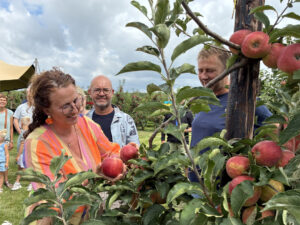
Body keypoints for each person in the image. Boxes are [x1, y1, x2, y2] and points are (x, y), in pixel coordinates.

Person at [23, 68, 131, 224]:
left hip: (89, 216)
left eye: (76, 100)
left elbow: (111, 153)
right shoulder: (38, 143)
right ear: (47, 109)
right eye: (65, 106)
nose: (75, 109)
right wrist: (95, 176)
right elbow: (54, 198)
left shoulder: (87, 125)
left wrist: (123, 161)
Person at [189, 47, 272, 183]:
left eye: (210, 70)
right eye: (200, 70)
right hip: (197, 184)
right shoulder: (204, 100)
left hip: (224, 189)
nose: (203, 76)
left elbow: (274, 131)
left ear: (228, 70)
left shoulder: (244, 102)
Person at [87, 75, 140, 147]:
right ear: (90, 92)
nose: (101, 94)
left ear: (112, 92)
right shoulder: (84, 120)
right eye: (97, 90)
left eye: (105, 90)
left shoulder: (126, 120)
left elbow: (135, 149)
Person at [11, 117, 31, 191]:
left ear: (21, 123)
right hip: (28, 154)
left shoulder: (24, 133)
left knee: (23, 169)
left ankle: (27, 183)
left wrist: (18, 155)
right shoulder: (29, 132)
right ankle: (19, 183)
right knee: (24, 168)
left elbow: (22, 144)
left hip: (24, 154)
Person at [0, 93, 14, 188]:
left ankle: (6, 180)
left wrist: (12, 141)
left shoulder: (9, 113)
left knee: (5, 160)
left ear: (6, 102)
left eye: (4, 100)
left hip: (5, 141)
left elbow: (11, 128)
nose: (2, 101)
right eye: (0, 100)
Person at [0, 129, 9, 194]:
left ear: (3, 138)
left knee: (1, 175)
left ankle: (0, 188)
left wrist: (7, 162)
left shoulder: (4, 145)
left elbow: (7, 154)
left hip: (2, 162)